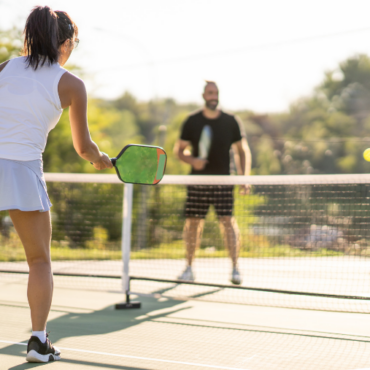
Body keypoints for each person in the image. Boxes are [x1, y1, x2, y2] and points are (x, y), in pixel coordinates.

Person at [0, 6, 112, 363]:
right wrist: (100, 160)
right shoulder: (71, 85)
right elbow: (84, 148)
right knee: (39, 262)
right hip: (23, 172)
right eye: (74, 42)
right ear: (65, 43)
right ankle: (38, 342)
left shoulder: (3, 69)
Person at [175, 81, 252, 285]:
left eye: (216, 93)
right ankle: (189, 268)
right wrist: (193, 161)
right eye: (210, 93)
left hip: (223, 182)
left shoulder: (231, 121)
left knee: (228, 222)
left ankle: (235, 269)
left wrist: (245, 177)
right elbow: (179, 150)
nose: (213, 96)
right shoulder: (191, 121)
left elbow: (242, 150)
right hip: (198, 182)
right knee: (192, 224)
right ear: (203, 96)